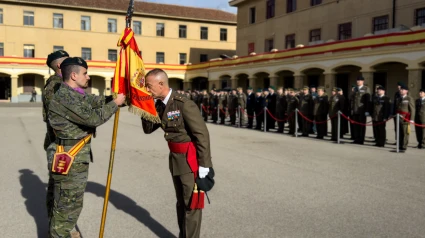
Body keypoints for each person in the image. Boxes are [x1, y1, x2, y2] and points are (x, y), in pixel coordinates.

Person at [46, 57, 125, 237]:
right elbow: (93, 118)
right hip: (69, 158)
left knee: (70, 204)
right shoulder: (65, 97)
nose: (88, 77)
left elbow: (96, 102)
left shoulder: (75, 94)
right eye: (85, 73)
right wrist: (115, 104)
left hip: (74, 157)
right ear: (74, 75)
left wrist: (120, 98)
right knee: (67, 206)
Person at [141, 68, 213, 238]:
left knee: (192, 205)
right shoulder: (160, 104)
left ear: (161, 84)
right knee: (181, 203)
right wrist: (145, 104)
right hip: (175, 159)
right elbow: (148, 128)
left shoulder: (183, 104)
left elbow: (201, 134)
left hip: (190, 161)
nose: (147, 90)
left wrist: (205, 165)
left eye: (149, 86)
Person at [43, 50, 70, 151]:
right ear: (60, 65)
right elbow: (56, 118)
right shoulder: (55, 86)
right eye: (68, 61)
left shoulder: (65, 83)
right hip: (63, 147)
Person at [350, 76, 371, 144]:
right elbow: (352, 100)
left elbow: (368, 100)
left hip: (362, 110)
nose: (358, 81)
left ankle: (361, 139)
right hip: (355, 109)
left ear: (363, 81)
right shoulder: (355, 89)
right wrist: (352, 109)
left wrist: (367, 110)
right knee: (355, 125)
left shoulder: (366, 89)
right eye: (357, 80)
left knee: (361, 125)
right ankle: (356, 138)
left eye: (359, 80)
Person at [395, 84, 415, 151]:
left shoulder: (409, 98)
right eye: (401, 89)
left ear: (406, 91)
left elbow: (412, 109)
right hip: (398, 117)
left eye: (402, 89)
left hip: (405, 118)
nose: (401, 90)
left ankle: (404, 146)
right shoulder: (398, 98)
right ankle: (400, 145)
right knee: (399, 132)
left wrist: (412, 119)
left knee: (405, 132)